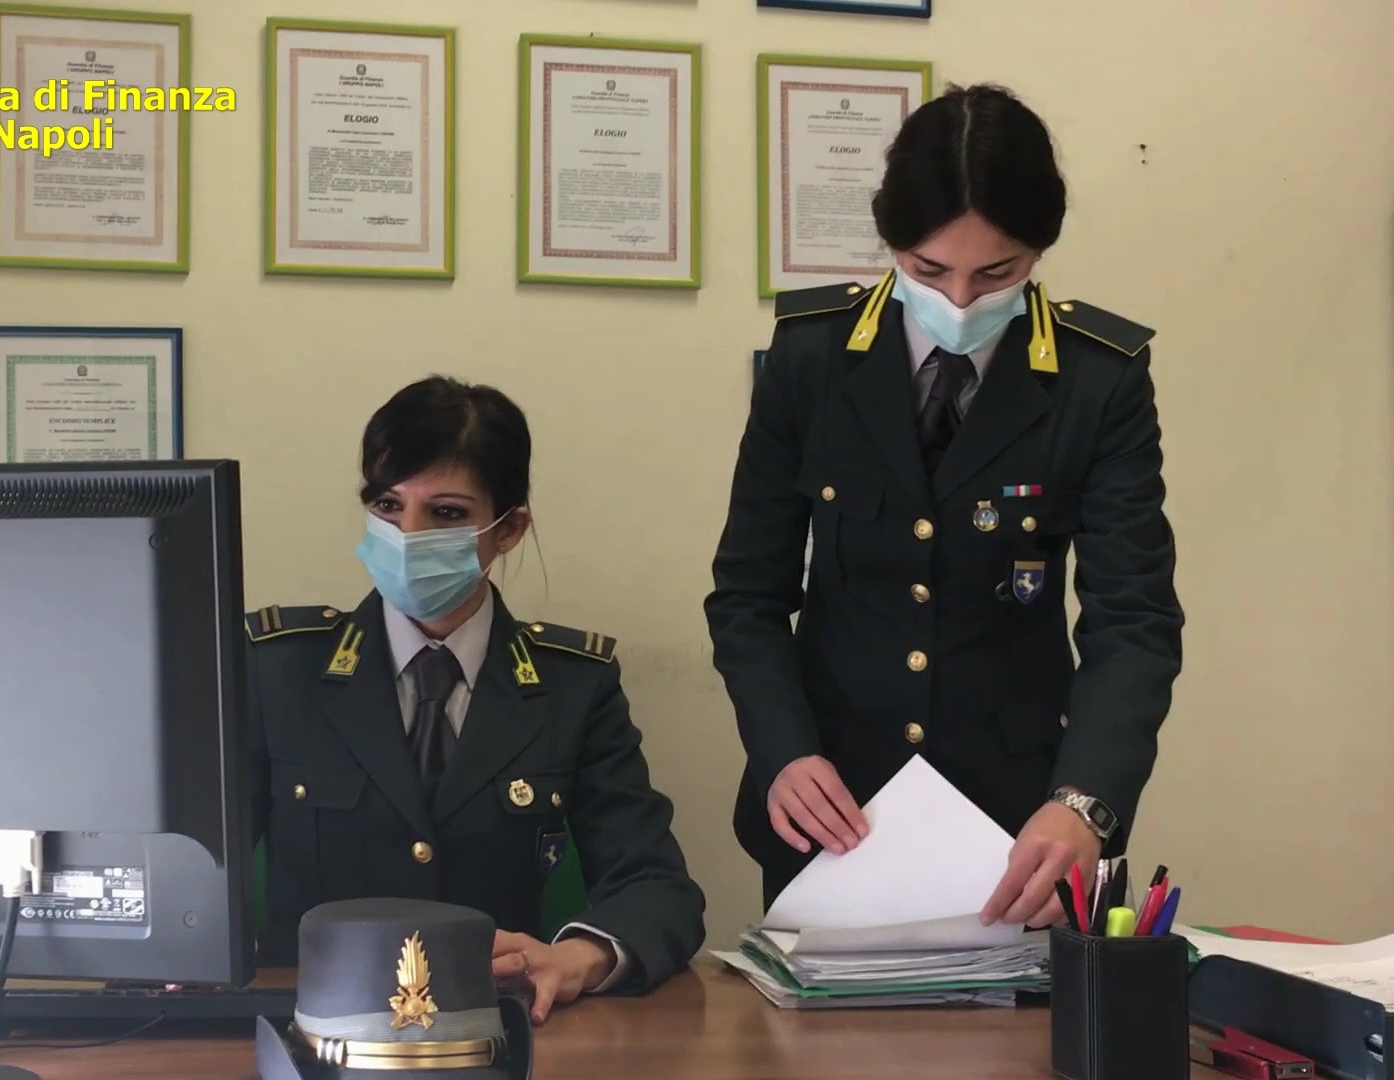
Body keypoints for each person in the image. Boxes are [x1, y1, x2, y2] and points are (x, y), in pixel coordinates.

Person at [704, 83, 1184, 928]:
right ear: (892, 243)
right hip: (833, 811)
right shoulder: (813, 360)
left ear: (1039, 249)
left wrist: (1085, 801)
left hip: (1020, 826)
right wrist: (784, 751)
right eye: (929, 271)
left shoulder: (1096, 382)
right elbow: (748, 596)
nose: (960, 300)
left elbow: (1133, 621)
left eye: (996, 273)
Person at [246, 375, 706, 1024]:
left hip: (496, 1027)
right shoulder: (277, 671)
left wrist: (577, 958)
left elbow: (657, 888)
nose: (407, 534)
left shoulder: (574, 687)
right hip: (312, 1028)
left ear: (509, 528)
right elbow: (193, 875)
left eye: (446, 514)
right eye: (387, 505)